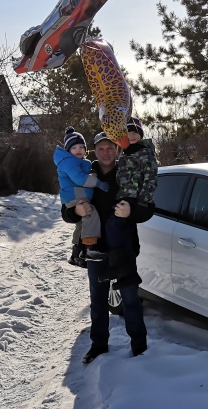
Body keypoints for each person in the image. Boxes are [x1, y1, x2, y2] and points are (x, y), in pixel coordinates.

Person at [61, 131, 153, 364]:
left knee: (130, 299)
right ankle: (99, 346)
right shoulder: (84, 172)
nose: (106, 152)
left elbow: (148, 207)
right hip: (96, 249)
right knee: (99, 301)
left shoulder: (127, 171)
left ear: (117, 149)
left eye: (110, 147)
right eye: (101, 148)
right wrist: (75, 211)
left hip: (124, 248)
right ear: (94, 151)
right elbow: (66, 210)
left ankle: (139, 347)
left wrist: (132, 211)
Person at [101, 116, 158, 285]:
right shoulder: (124, 154)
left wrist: (142, 202)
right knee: (125, 235)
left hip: (134, 199)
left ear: (141, 134)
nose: (132, 136)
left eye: (135, 132)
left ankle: (117, 266)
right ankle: (130, 274)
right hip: (124, 197)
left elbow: (151, 178)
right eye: (128, 133)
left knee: (112, 225)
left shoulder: (144, 152)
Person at [53, 127, 109, 266]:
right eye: (74, 147)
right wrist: (98, 182)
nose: (78, 149)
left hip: (77, 197)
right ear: (68, 150)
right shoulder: (68, 161)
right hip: (76, 197)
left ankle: (76, 254)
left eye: (81, 147)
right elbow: (79, 179)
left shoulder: (77, 162)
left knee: (82, 224)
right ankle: (89, 247)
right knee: (90, 213)